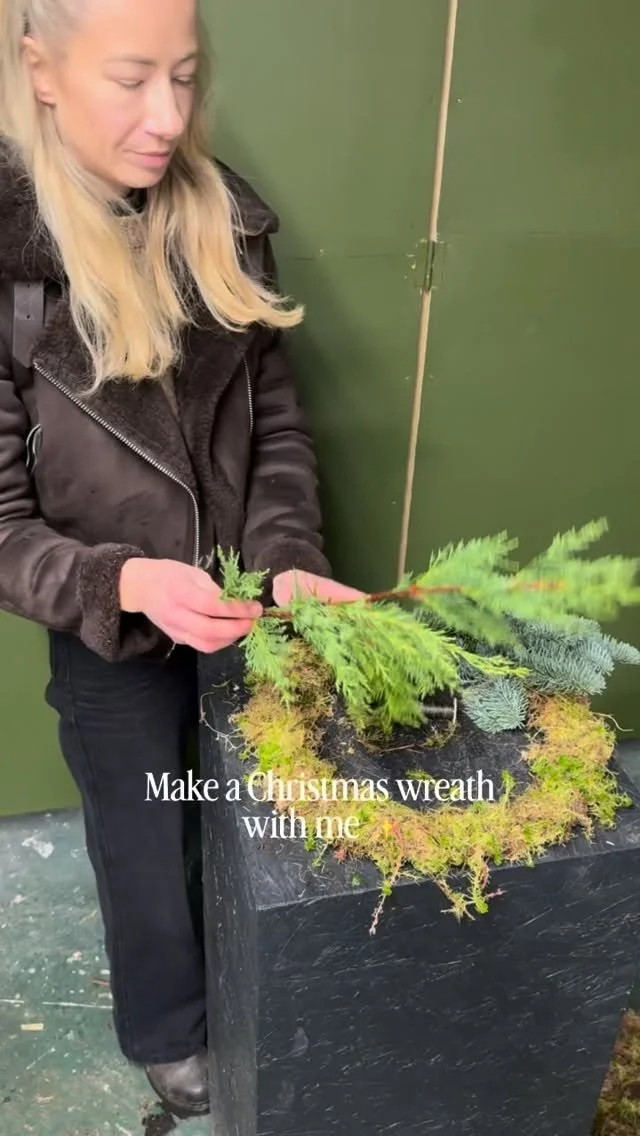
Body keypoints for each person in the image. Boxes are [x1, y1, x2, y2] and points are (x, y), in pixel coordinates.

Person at [0, 0, 363, 1119]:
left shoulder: (222, 221)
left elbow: (278, 428)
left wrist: (287, 553)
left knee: (244, 814)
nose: (167, 116)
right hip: (113, 635)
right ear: (41, 68)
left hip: (249, 616)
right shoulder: (13, 272)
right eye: (132, 79)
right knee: (145, 836)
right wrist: (120, 582)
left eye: (187, 76)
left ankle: (254, 977)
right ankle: (166, 1027)